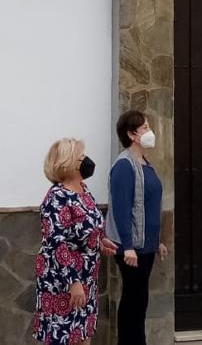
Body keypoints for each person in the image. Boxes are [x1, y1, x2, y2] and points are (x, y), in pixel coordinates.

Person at [34, 138, 118, 344]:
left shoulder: (84, 190)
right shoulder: (57, 197)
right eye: (81, 158)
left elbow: (83, 229)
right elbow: (56, 243)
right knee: (64, 336)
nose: (87, 161)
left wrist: (99, 242)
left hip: (87, 278)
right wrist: (73, 282)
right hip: (63, 281)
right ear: (68, 163)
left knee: (82, 335)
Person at [106, 111, 166, 345]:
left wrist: (157, 240)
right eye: (145, 128)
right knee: (133, 301)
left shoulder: (145, 164)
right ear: (132, 134)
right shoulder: (124, 165)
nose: (150, 132)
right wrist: (128, 246)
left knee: (140, 301)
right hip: (133, 250)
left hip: (146, 246)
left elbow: (148, 206)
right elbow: (121, 209)